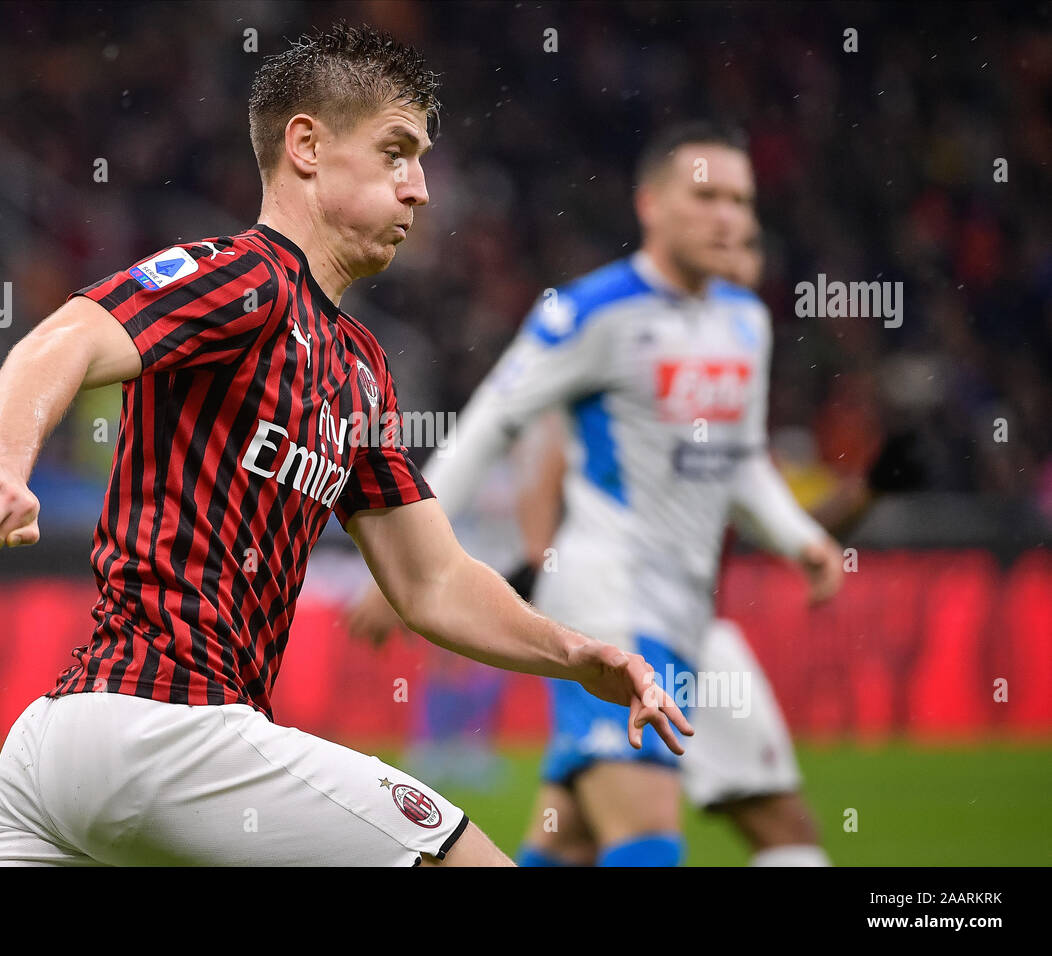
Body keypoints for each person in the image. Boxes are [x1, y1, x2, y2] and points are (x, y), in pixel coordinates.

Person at [0, 23, 688, 867]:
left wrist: (573, 652)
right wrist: (5, 461)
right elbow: (65, 339)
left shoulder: (361, 368)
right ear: (306, 146)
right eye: (395, 152)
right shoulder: (244, 276)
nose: (419, 190)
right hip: (165, 723)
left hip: (69, 752)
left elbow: (433, 578)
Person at [347, 122, 843, 867]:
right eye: (705, 196)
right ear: (651, 204)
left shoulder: (744, 322)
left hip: (688, 615)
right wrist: (407, 556)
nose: (727, 217)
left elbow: (740, 461)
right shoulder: (590, 312)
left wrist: (798, 535)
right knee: (648, 837)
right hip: (607, 604)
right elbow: (489, 422)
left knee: (575, 840)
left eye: (740, 200)